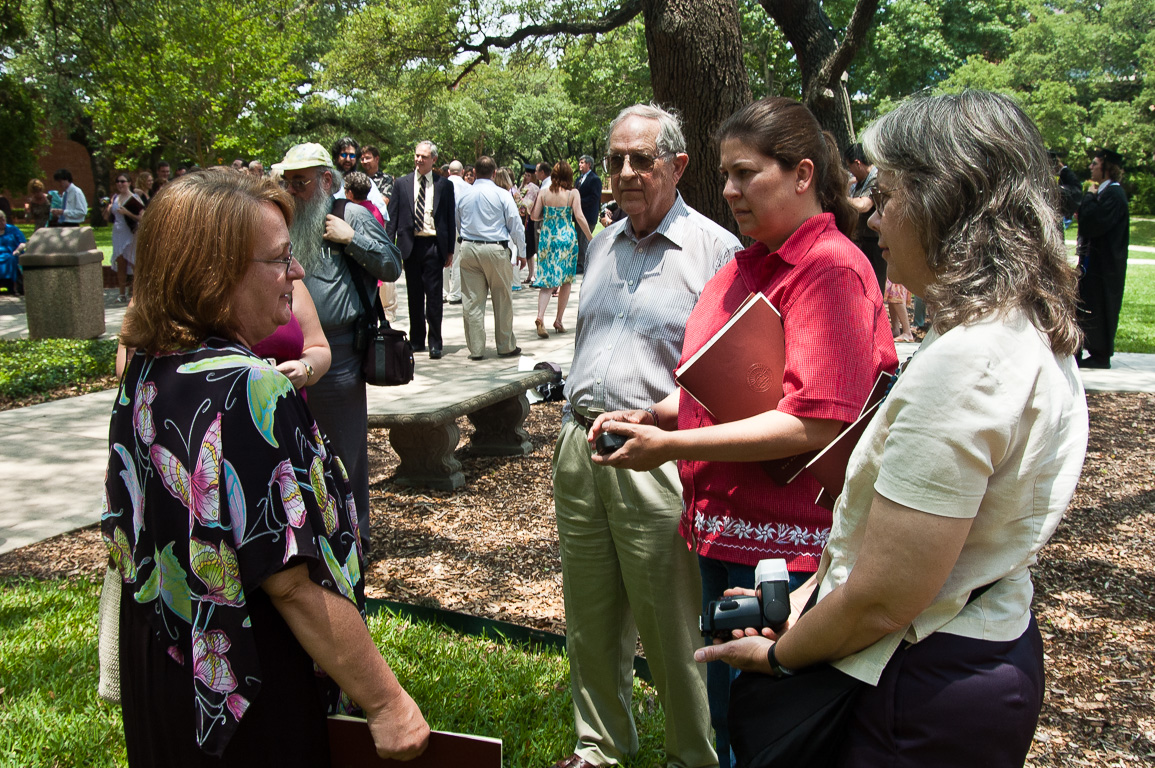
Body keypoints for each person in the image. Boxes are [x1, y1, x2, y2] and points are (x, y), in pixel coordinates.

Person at [694, 90, 1087, 768]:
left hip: (917, 680)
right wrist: (806, 597)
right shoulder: (1018, 329)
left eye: (888, 190)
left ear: (943, 200)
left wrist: (779, 654)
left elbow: (883, 599)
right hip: (968, 647)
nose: (872, 211)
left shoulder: (971, 363)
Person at [590, 96, 896, 768]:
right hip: (724, 529)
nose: (728, 191)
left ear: (802, 174)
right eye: (724, 176)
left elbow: (812, 419)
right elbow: (730, 384)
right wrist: (660, 414)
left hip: (788, 553)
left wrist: (670, 447)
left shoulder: (830, 269)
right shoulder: (748, 263)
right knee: (732, 715)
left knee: (771, 727)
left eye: (745, 173)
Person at [104, 168, 428, 766]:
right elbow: (291, 582)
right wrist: (387, 703)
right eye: (281, 259)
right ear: (215, 275)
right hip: (245, 687)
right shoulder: (251, 389)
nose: (298, 272)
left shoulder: (144, 371)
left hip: (163, 671)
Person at [551, 103, 740, 768]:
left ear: (678, 165)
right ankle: (597, 748)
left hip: (657, 457)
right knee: (591, 617)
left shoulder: (716, 251)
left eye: (641, 159)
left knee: (671, 624)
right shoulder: (600, 242)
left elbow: (736, 375)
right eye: (614, 161)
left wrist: (659, 421)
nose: (626, 173)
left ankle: (693, 756)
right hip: (580, 450)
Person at [273, 142, 402, 554]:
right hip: (288, 355)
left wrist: (352, 240)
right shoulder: (281, 222)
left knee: (343, 453)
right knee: (293, 452)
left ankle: (354, 540)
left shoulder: (352, 215)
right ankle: (305, 540)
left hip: (342, 356)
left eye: (301, 182)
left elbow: (392, 265)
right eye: (287, 182)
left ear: (327, 180)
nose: (292, 190)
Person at [386, 140, 456, 360]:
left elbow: (449, 218)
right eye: (416, 156)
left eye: (423, 157)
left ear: (433, 160)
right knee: (414, 296)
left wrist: (450, 250)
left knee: (434, 297)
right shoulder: (402, 184)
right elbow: (393, 217)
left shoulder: (444, 185)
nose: (418, 160)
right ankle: (417, 340)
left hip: (434, 246)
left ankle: (435, 342)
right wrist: (389, 246)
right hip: (410, 246)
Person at [455, 156, 526, 360]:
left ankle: (476, 349)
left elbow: (458, 222)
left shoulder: (464, 195)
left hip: (468, 247)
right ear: (494, 173)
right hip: (495, 248)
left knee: (472, 301)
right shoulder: (502, 194)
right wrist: (521, 251)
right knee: (502, 297)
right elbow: (515, 224)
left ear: (474, 172)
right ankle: (505, 345)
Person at [1075, 148, 1130, 369]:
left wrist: (1088, 196)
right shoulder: (1106, 193)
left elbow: (1092, 222)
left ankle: (1100, 354)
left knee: (1101, 305)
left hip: (1105, 266)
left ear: (1107, 168)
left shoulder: (1114, 194)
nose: (1091, 167)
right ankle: (1092, 351)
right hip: (1096, 263)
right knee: (1090, 304)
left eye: (1095, 164)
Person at [530, 160, 592, 339]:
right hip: (566, 238)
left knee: (546, 280)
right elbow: (579, 216)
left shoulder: (543, 193)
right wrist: (591, 238)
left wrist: (547, 215)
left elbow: (534, 216)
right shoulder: (573, 193)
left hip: (548, 238)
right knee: (566, 280)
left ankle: (540, 316)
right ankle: (558, 320)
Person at [845, 142, 886, 295]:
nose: (850, 170)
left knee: (873, 291)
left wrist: (841, 197)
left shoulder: (876, 179)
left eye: (850, 166)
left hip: (874, 245)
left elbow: (864, 205)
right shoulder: (857, 182)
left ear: (858, 163)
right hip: (860, 242)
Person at [104, 174, 145, 302]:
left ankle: (136, 293)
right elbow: (107, 218)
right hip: (118, 233)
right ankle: (122, 294)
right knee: (120, 262)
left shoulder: (134, 198)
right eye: (117, 181)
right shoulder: (115, 198)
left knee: (133, 262)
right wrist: (107, 209)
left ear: (129, 183)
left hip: (131, 233)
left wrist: (127, 213)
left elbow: (143, 217)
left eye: (123, 181)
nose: (120, 184)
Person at [332, 137, 388, 213]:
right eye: (344, 155)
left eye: (352, 155)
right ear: (336, 157)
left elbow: (381, 213)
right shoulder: (328, 183)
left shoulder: (366, 183)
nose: (348, 159)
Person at [575, 154, 601, 271]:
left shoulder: (594, 179)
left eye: (582, 162)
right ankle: (579, 263)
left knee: (584, 241)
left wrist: (578, 202)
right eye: (579, 162)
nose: (579, 165)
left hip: (588, 216)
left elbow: (594, 197)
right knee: (579, 240)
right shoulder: (578, 179)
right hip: (578, 216)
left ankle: (584, 265)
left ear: (589, 164)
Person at [516, 166, 540, 284]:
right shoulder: (523, 187)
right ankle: (530, 274)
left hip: (530, 220)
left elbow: (526, 206)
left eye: (528, 175)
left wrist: (518, 200)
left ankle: (532, 274)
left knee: (531, 247)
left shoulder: (534, 188)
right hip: (522, 220)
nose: (526, 177)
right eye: (525, 175)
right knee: (528, 248)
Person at [0, 210, 27, 295]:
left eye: (2, 219)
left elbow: (23, 243)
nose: (1, 222)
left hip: (12, 253)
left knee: (11, 259)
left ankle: (14, 286)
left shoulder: (13, 229)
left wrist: (18, 250)